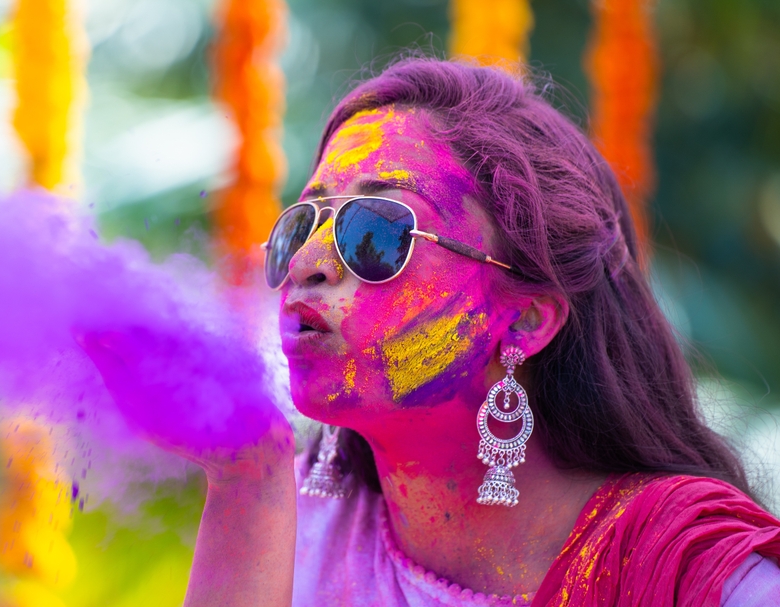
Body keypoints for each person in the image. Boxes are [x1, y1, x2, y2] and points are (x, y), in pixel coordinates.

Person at [96, 58, 780, 606]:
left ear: (527, 317)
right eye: (299, 227)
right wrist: (248, 478)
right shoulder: (292, 522)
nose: (305, 264)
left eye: (374, 232)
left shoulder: (697, 573)